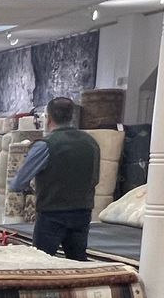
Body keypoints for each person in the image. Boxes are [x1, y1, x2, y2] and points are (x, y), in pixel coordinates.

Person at [8, 96, 100, 260]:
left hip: (52, 214)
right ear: (72, 116)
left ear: (48, 118)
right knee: (77, 264)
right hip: (82, 212)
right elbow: (95, 179)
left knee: (41, 263)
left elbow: (18, 183)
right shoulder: (91, 143)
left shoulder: (45, 145)